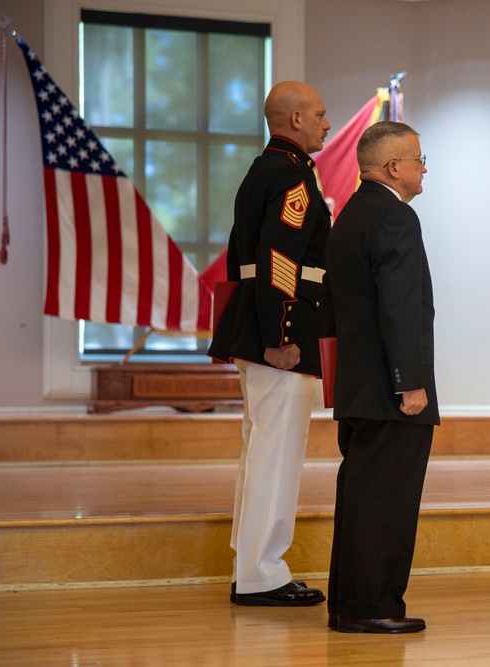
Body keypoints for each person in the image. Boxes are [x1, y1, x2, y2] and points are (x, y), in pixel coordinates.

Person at [208, 81, 331, 607]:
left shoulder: (263, 169)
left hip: (255, 328)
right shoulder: (292, 176)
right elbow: (280, 259)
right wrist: (282, 335)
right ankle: (262, 573)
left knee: (261, 452)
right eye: (322, 116)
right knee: (275, 455)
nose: (328, 124)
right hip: (280, 334)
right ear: (297, 118)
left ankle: (252, 565)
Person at [323, 121, 438, 634]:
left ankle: (351, 602)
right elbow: (399, 307)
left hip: (359, 385)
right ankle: (375, 606)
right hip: (390, 389)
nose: (423, 168)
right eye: (418, 159)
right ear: (394, 167)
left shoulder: (349, 214)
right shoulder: (394, 217)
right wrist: (409, 381)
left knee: (361, 497)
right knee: (387, 501)